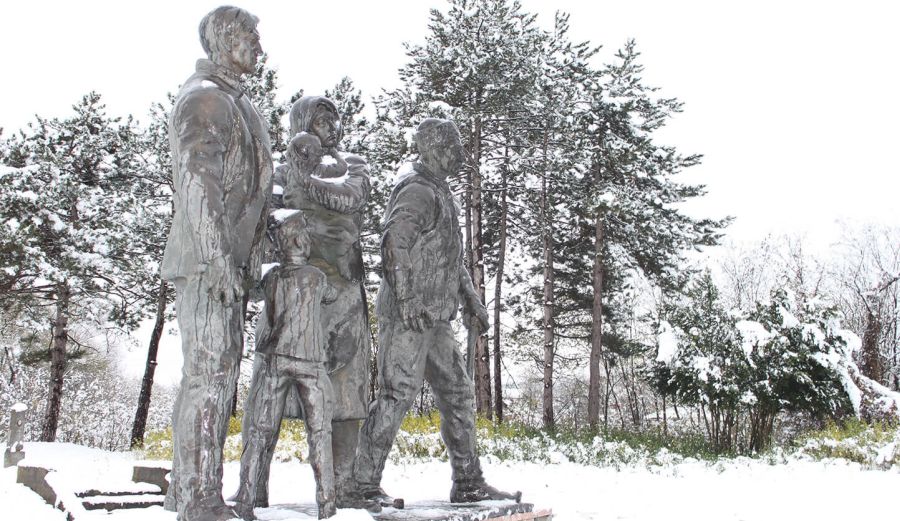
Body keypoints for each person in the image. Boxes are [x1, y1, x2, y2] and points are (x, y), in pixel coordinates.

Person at [354, 119, 519, 504]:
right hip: (408, 317)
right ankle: (361, 484)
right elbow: (393, 244)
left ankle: (468, 481)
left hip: (437, 319)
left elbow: (450, 259)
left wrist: (471, 299)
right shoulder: (417, 191)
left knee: (459, 393)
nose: (459, 153)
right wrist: (407, 299)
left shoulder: (441, 193)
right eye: (452, 146)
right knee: (396, 395)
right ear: (432, 148)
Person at [160, 6, 272, 521]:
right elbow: (196, 182)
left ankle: (189, 491)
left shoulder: (234, 102)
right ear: (225, 40)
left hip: (228, 264)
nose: (259, 47)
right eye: (251, 37)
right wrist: (218, 257)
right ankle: (199, 499)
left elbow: (250, 191)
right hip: (210, 265)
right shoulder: (206, 98)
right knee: (210, 376)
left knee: (214, 376)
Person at [256, 96, 376, 511]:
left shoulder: (353, 165)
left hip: (343, 287)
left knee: (347, 392)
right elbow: (268, 220)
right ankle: (253, 486)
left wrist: (305, 185)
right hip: (294, 292)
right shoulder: (278, 173)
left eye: (334, 119)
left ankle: (343, 486)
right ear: (302, 124)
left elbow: (352, 197)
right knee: (269, 394)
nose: (331, 126)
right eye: (321, 119)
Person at [232, 211, 337, 520]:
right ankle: (327, 505)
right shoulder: (316, 277)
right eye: (305, 237)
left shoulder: (272, 277)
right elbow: (330, 296)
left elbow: (252, 290)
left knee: (260, 431)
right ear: (299, 242)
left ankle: (245, 499)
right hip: (311, 364)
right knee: (319, 433)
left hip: (275, 359)